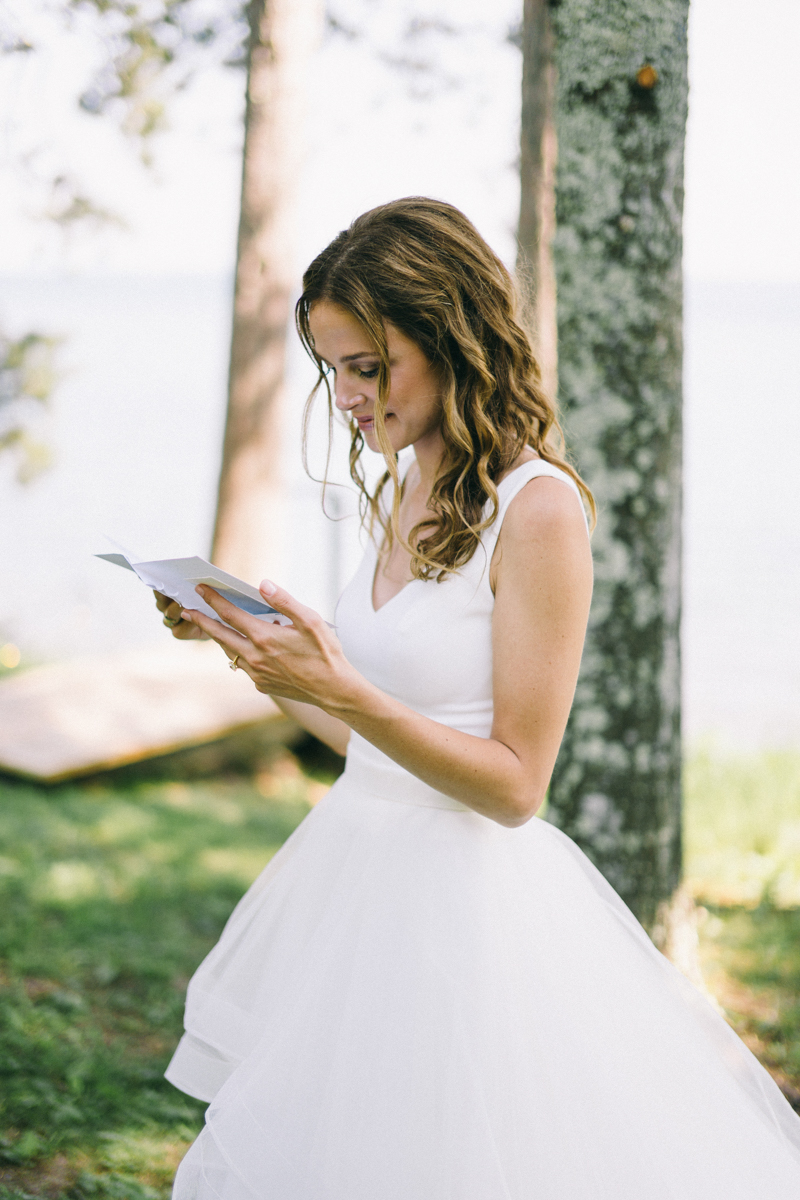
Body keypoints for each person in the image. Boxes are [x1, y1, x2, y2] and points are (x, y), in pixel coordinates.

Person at [156, 198, 800, 1198]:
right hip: (353, 884)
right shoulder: (408, 482)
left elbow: (513, 785)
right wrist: (255, 654)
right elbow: (368, 740)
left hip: (463, 910)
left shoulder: (534, 510)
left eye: (369, 367)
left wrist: (348, 694)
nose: (347, 398)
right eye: (331, 370)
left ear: (453, 337)